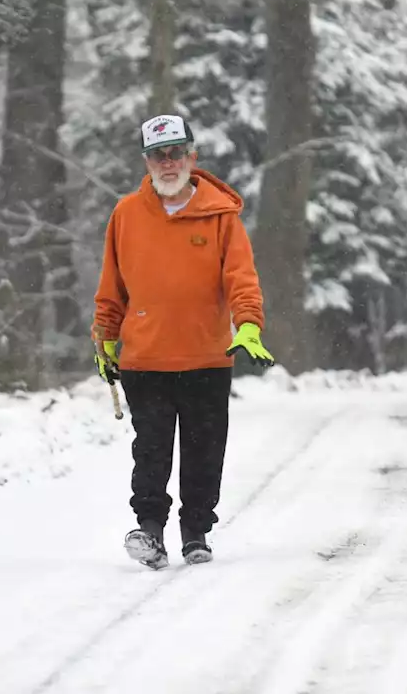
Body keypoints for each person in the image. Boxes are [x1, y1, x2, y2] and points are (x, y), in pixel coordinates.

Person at [91, 114, 275, 570]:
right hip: (145, 358)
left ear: (192, 157)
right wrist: (105, 341)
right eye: (158, 155)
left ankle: (195, 531)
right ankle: (150, 530)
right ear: (147, 161)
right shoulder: (126, 215)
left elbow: (242, 279)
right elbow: (111, 287)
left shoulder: (220, 215)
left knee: (203, 448)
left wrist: (247, 324)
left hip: (207, 356)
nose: (168, 163)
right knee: (150, 449)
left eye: (176, 153)